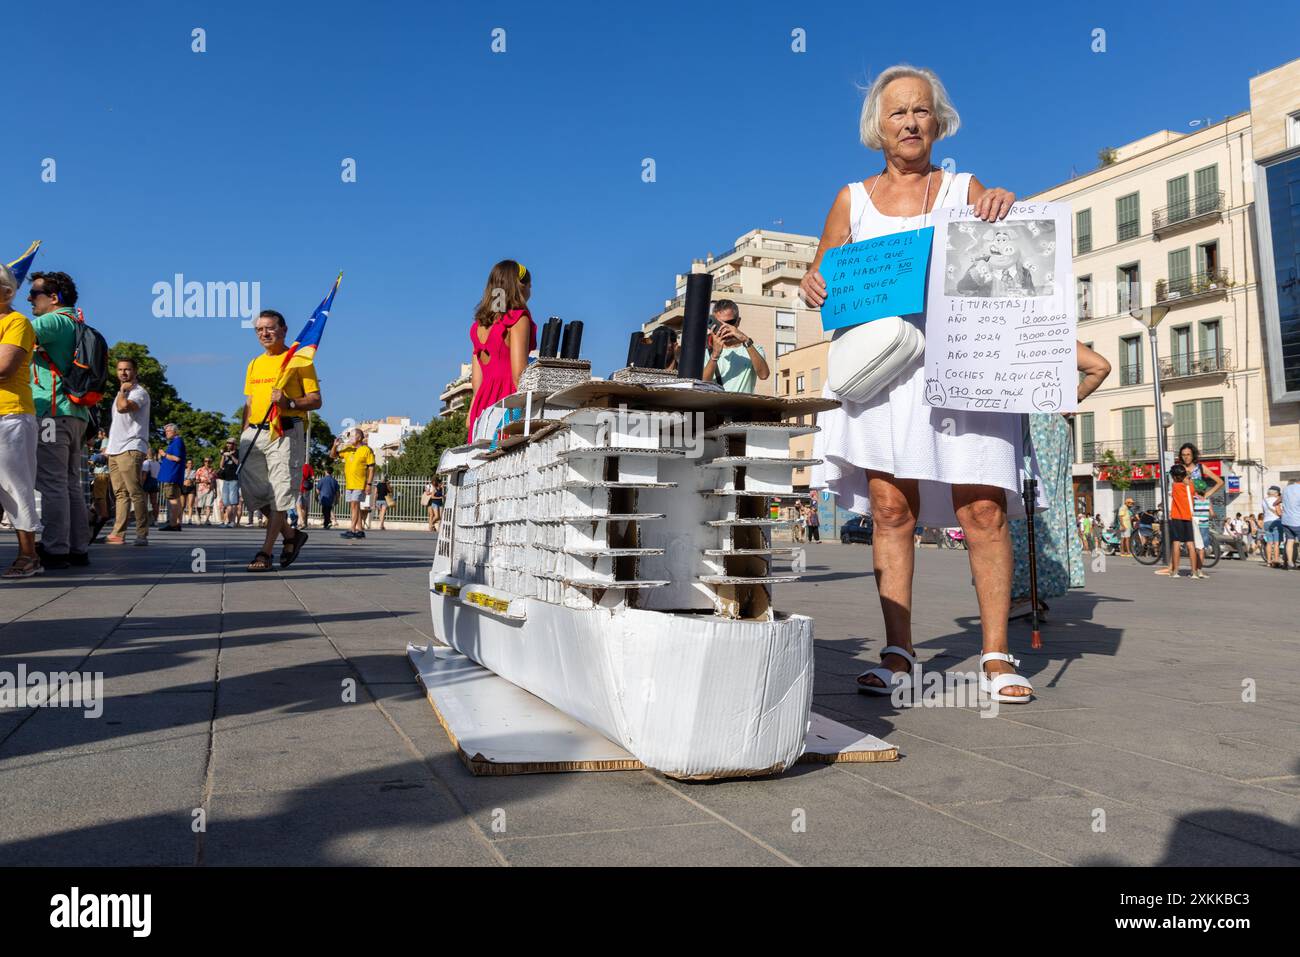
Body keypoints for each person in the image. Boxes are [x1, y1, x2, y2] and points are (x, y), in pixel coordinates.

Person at [801, 64, 1028, 700]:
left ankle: (996, 655)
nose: (910, 122)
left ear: (939, 122)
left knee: (982, 508)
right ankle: (898, 654)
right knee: (891, 508)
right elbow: (822, 275)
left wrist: (1001, 207)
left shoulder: (963, 188)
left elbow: (1007, 258)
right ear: (878, 126)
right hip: (884, 372)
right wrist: (812, 282)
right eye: (898, 112)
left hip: (962, 365)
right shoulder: (852, 198)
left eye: (922, 111)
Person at [1009, 343, 1111, 618]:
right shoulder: (1054, 334)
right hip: (1050, 425)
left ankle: (1020, 593)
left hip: (1021, 421)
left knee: (1016, 503)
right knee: (1047, 506)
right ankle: (1036, 591)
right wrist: (1068, 400)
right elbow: (1099, 367)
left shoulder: (1009, 329)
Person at [238, 309, 319, 571]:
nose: (264, 333)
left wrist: (290, 402)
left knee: (280, 492)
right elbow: (249, 403)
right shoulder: (254, 363)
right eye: (259, 329)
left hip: (285, 431)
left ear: (283, 330)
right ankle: (292, 535)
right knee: (254, 492)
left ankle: (266, 552)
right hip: (254, 433)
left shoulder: (299, 360)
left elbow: (316, 400)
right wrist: (243, 433)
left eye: (270, 328)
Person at [27, 271, 91, 569]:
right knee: (70, 483)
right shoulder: (77, 322)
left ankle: (55, 548)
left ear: (54, 298)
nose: (29, 299)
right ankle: (77, 547)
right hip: (76, 414)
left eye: (35, 293)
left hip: (52, 413)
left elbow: (15, 332)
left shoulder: (52, 321)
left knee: (52, 483)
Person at [0, 264, 41, 578]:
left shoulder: (18, 322)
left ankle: (29, 554)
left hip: (10, 414)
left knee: (15, 487)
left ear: (6, 291)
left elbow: (5, 367)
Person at [467, 260, 536, 442]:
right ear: (519, 286)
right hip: (507, 404)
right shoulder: (517, 319)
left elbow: (477, 383)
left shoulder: (478, 327)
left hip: (482, 409)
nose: (531, 290)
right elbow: (519, 375)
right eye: (529, 285)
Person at [104, 356, 151, 546]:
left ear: (135, 372)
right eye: (120, 369)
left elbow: (124, 408)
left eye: (127, 369)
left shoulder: (139, 393)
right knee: (120, 494)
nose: (123, 373)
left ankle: (142, 534)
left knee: (134, 491)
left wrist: (123, 392)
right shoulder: (119, 393)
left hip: (131, 447)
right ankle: (118, 533)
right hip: (115, 449)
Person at [702, 300, 769, 393]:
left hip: (742, 407)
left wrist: (745, 339)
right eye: (719, 324)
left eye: (730, 323)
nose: (724, 328)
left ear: (738, 321)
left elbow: (764, 375)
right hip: (716, 406)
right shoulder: (706, 353)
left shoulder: (753, 349)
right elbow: (703, 384)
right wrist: (715, 355)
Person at [331, 429, 375, 539]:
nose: (349, 439)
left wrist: (369, 484)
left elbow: (372, 468)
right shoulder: (348, 449)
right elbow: (332, 456)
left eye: (352, 436)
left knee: (355, 504)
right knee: (354, 507)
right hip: (349, 483)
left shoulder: (366, 450)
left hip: (360, 483)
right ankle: (360, 530)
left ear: (359, 437)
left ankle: (352, 529)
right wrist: (335, 446)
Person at [1157, 464, 1196, 579]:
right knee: (1190, 544)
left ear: (1174, 476)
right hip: (1188, 517)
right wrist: (1187, 475)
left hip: (1177, 517)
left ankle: (1175, 571)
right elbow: (1188, 481)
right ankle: (1194, 572)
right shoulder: (1191, 487)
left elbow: (1173, 482)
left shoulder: (1175, 486)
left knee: (1176, 543)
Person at [156, 425, 187, 531]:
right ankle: (177, 523)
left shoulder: (177, 442)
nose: (166, 433)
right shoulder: (176, 442)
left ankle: (173, 524)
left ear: (175, 431)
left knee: (172, 500)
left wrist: (164, 454)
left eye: (168, 431)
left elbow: (177, 458)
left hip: (171, 476)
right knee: (176, 500)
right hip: (174, 475)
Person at [217, 439, 240, 527]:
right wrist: (223, 455)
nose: (228, 444)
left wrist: (231, 456)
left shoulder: (238, 452)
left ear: (234, 444)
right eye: (227, 443)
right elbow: (221, 466)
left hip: (234, 479)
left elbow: (238, 463)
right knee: (226, 502)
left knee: (233, 502)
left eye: (230, 443)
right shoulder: (226, 453)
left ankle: (233, 522)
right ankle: (228, 521)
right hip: (226, 479)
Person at [1281, 478, 1300, 570]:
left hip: (1286, 520)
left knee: (1289, 541)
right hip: (1297, 520)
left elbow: (1278, 501)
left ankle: (1290, 563)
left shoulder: (1286, 489)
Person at [1262, 485, 1283, 568]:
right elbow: (1279, 512)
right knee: (1277, 543)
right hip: (1276, 521)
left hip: (1266, 522)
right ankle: (1276, 560)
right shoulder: (1276, 500)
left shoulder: (1264, 500)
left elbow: (1264, 512)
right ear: (1276, 493)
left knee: (1269, 543)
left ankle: (1268, 561)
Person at [195, 457, 216, 525]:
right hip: (202, 489)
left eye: (209, 461)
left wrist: (216, 491)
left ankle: (207, 519)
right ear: (204, 462)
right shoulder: (200, 470)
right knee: (199, 505)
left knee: (208, 505)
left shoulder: (213, 470)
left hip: (210, 489)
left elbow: (215, 481)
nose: (207, 462)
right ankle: (198, 517)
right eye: (206, 461)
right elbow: (196, 480)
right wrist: (203, 480)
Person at [142, 448, 161, 520]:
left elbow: (144, 475)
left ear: (147, 454)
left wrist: (141, 484)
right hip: (155, 482)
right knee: (154, 502)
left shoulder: (146, 462)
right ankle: (155, 519)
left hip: (147, 482)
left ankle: (144, 519)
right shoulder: (157, 463)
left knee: (144, 502)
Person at [297, 462, 315, 529]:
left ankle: (301, 521)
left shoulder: (297, 466)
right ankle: (304, 522)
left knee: (298, 505)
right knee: (304, 506)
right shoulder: (309, 466)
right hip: (306, 488)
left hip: (298, 487)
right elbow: (313, 477)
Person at [181, 458, 197, 525]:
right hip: (183, 487)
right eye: (188, 463)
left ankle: (189, 519)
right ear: (186, 464)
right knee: (182, 505)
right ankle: (180, 518)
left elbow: (194, 480)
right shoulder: (183, 471)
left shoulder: (194, 471)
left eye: (191, 463)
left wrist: (190, 480)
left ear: (193, 464)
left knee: (190, 504)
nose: (190, 464)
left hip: (191, 488)